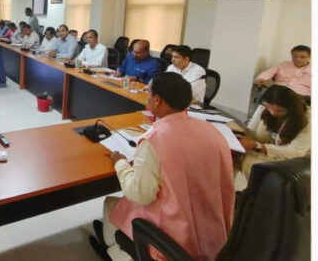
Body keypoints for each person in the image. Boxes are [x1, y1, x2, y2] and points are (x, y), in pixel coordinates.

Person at [89, 72, 235, 261]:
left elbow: (140, 195)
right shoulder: (210, 129)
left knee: (111, 204)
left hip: (176, 241)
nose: (147, 96)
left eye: (148, 92)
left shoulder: (156, 139)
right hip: (214, 234)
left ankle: (113, 249)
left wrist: (120, 162)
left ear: (157, 100)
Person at [237, 85, 310, 179]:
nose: (273, 113)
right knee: (235, 156)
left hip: (297, 161)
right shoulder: (265, 106)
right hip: (273, 150)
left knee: (254, 166)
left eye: (280, 110)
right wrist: (242, 139)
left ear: (292, 108)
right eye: (268, 107)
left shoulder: (308, 119)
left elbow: (296, 152)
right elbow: (251, 132)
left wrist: (257, 146)